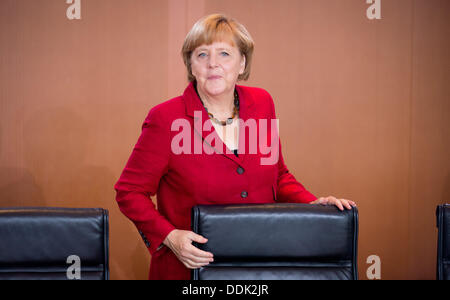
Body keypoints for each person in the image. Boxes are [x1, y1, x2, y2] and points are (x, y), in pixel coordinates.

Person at [114, 13, 356, 280]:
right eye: (202, 55)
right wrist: (171, 237)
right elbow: (129, 192)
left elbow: (277, 175)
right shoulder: (166, 118)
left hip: (258, 265)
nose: (213, 64)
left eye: (224, 54)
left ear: (242, 62)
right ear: (191, 66)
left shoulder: (263, 103)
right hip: (189, 269)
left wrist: (313, 203)